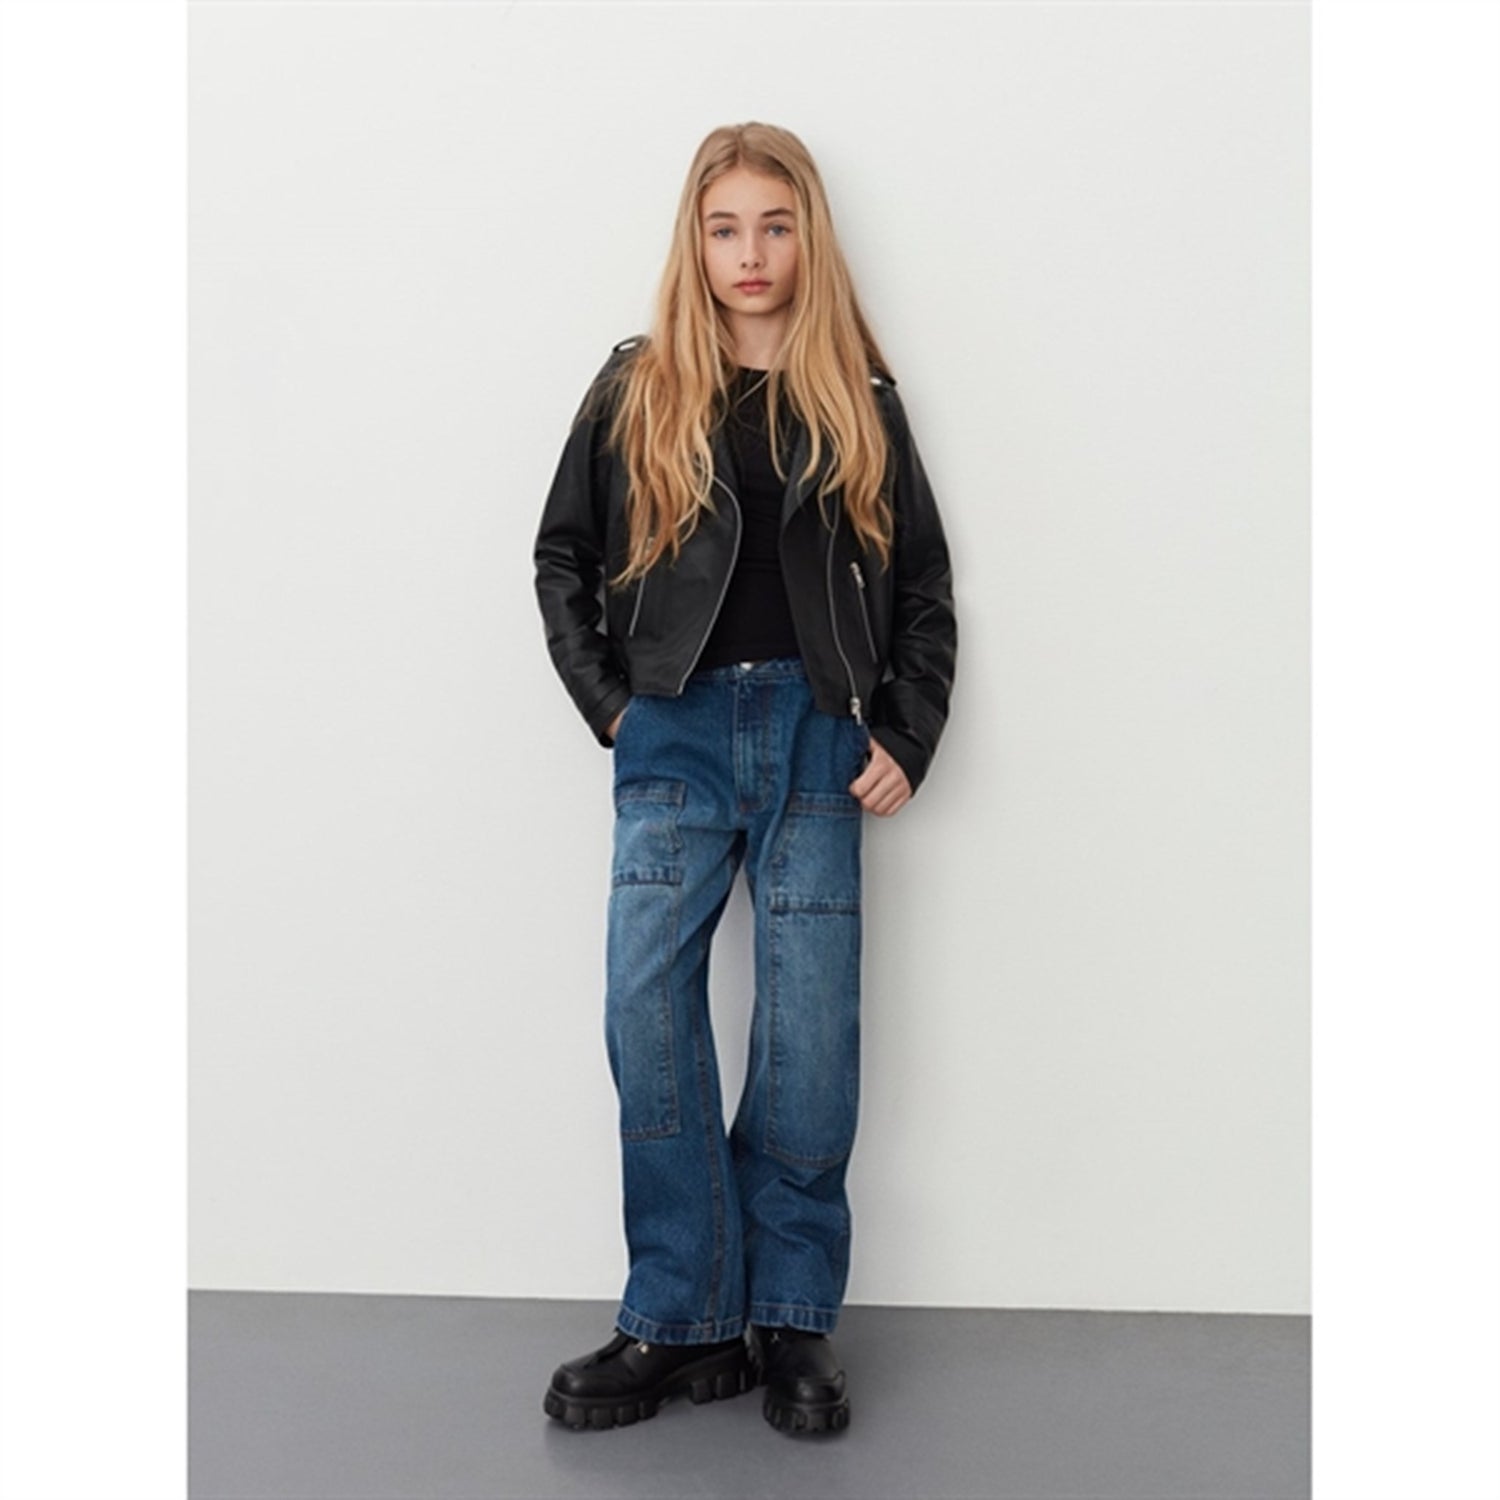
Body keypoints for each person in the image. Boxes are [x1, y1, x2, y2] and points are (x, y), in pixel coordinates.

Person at [532, 121, 957, 1436]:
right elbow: (561, 558)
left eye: (775, 226)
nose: (750, 252)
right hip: (674, 735)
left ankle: (790, 1315)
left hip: (821, 739)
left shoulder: (860, 399)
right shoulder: (637, 385)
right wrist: (615, 710)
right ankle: (682, 1314)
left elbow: (924, 588)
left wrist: (905, 731)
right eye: (726, 229)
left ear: (807, 238)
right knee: (647, 1018)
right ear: (696, 242)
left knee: (808, 1036)